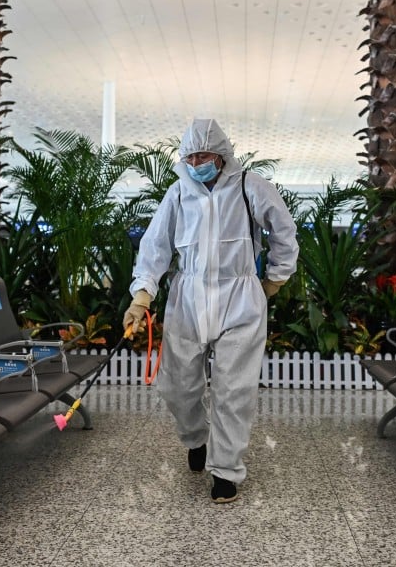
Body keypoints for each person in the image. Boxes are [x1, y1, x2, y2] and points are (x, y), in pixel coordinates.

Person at [124, 118, 299, 503]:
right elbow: (155, 246)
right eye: (190, 156)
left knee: (233, 390)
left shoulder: (250, 187)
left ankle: (226, 471)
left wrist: (275, 279)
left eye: (203, 154)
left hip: (240, 298)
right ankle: (195, 438)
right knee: (176, 386)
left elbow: (284, 233)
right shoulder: (177, 193)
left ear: (221, 155)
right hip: (187, 298)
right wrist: (142, 296)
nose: (196, 161)